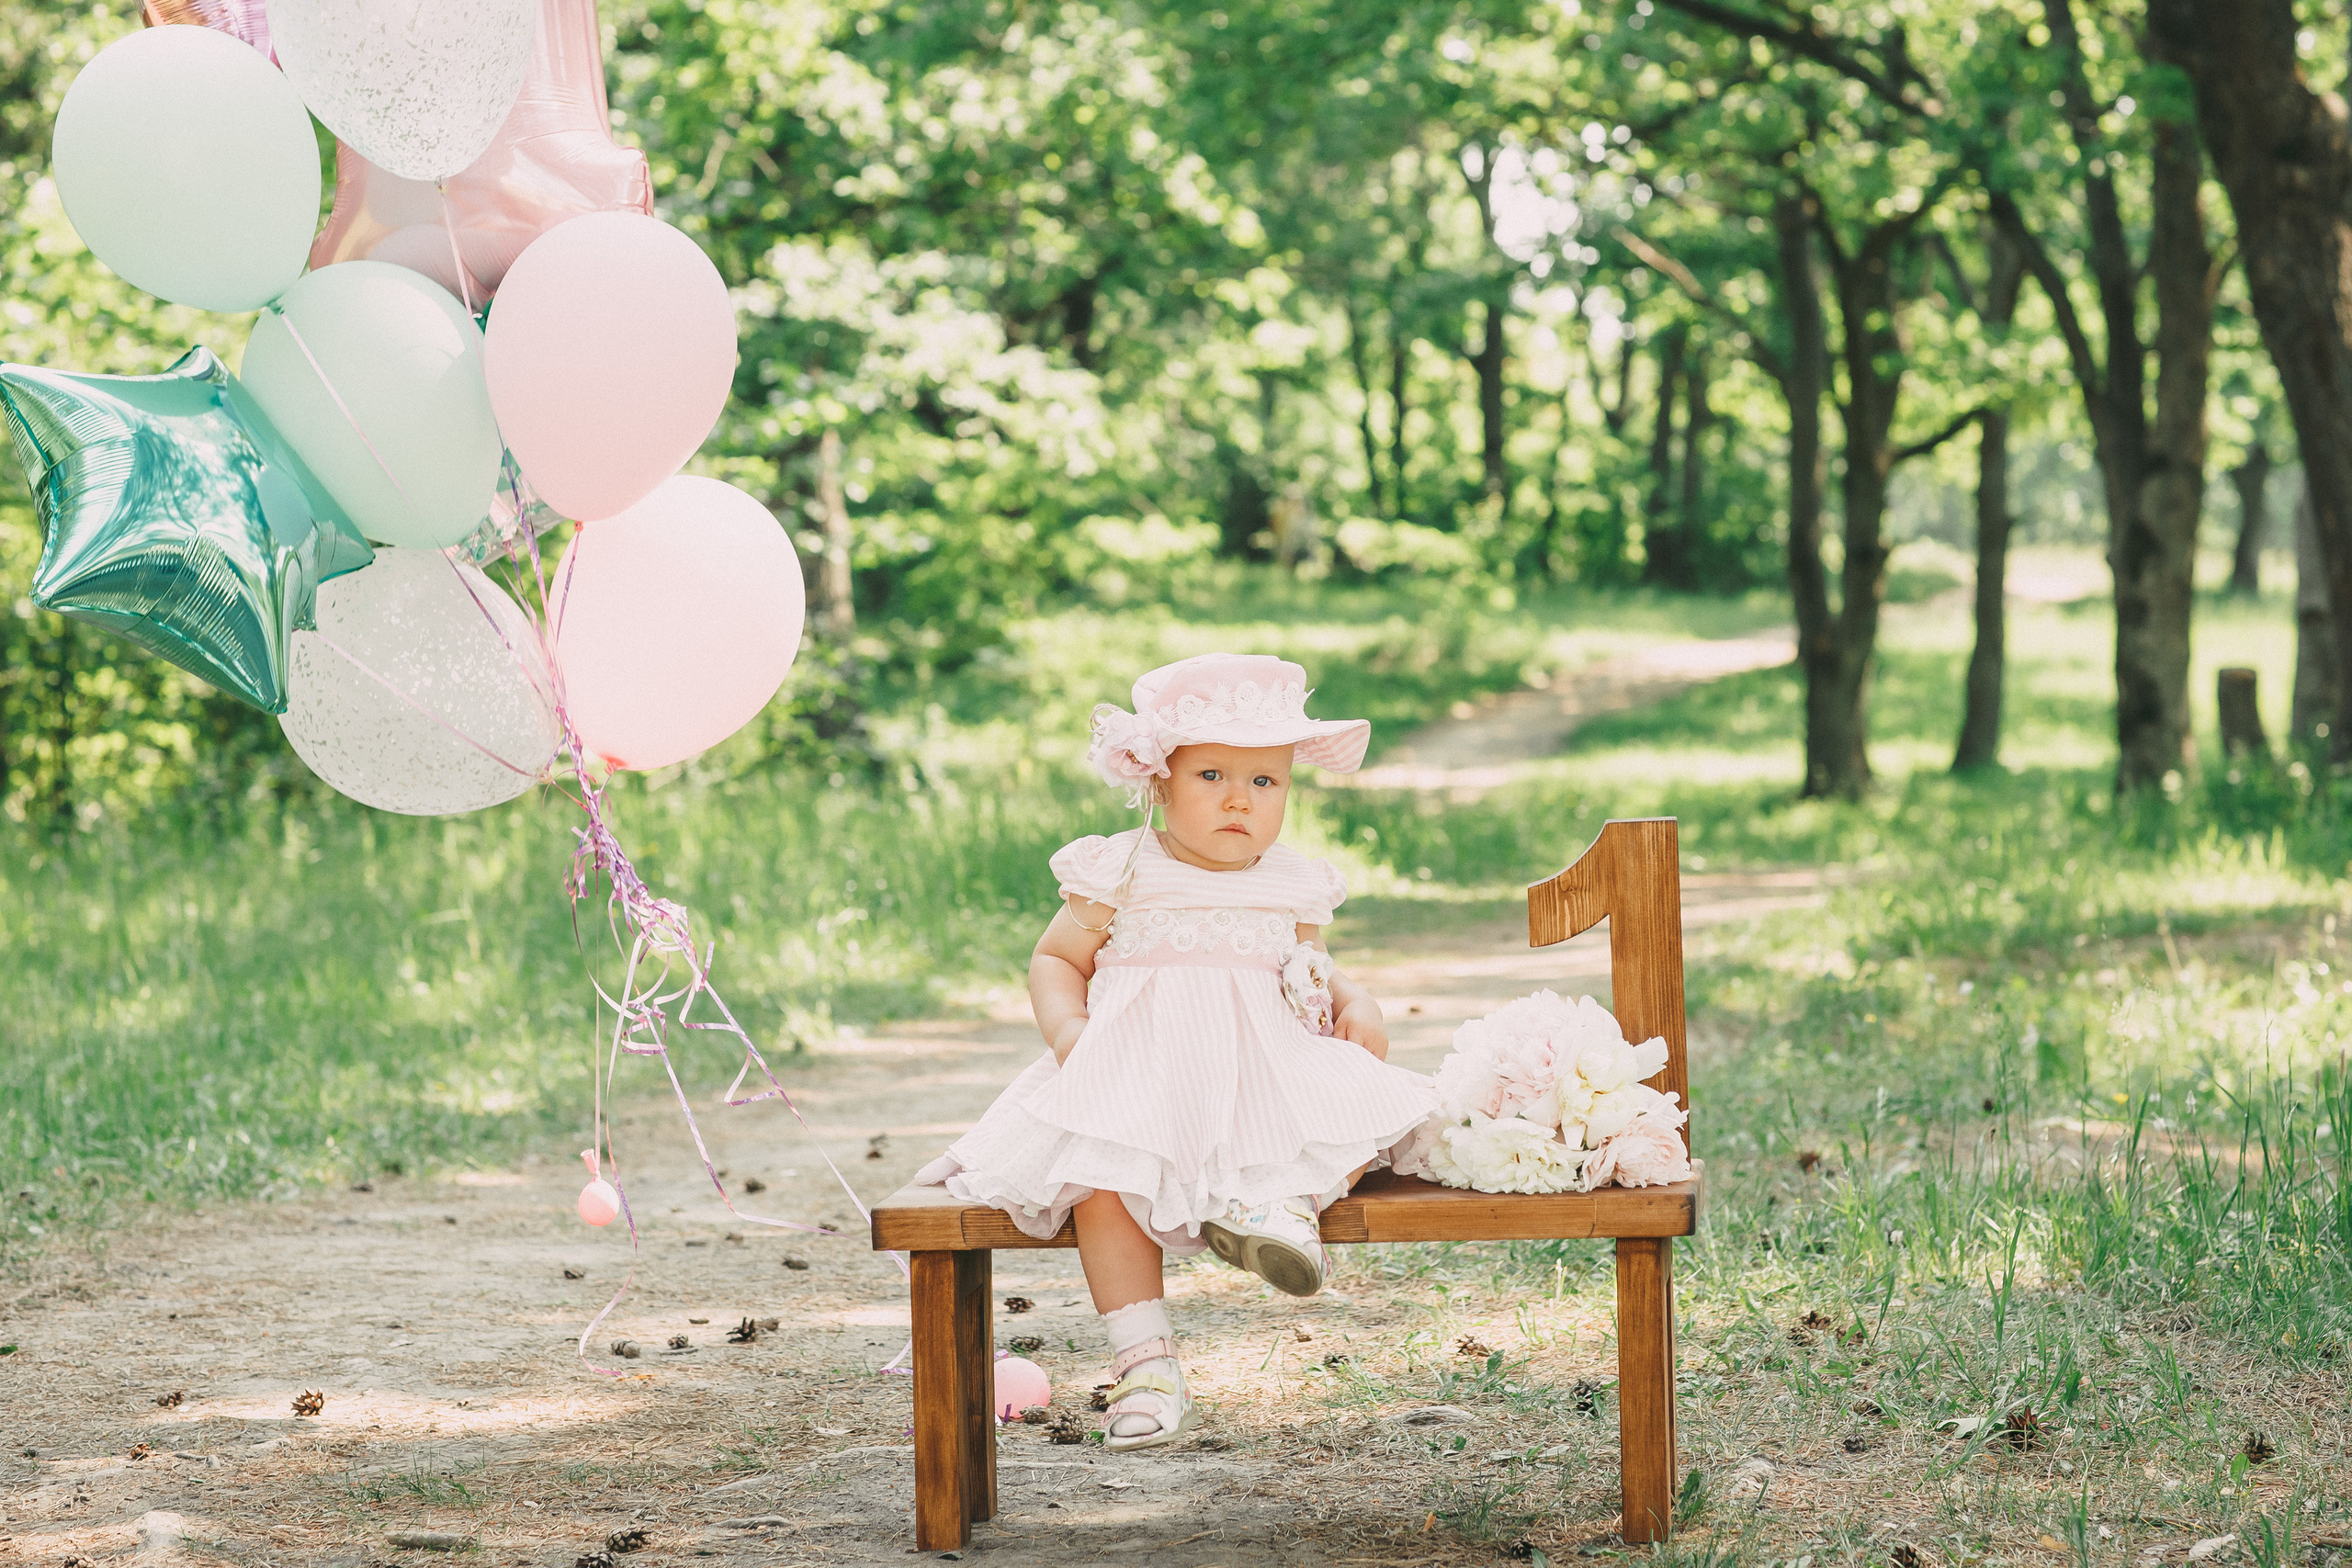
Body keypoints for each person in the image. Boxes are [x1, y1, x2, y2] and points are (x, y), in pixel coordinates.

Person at [912, 653, 1436, 1451]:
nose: (1239, 798)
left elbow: (1315, 966)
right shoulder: (1123, 866)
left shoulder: (1291, 879)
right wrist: (1068, 1035)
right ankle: (1147, 1363)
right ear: (1160, 782)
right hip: (1141, 1079)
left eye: (1265, 782)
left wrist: (1354, 1001)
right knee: (1103, 1177)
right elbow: (1057, 960)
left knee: (1361, 1113)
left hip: (1260, 1078)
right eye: (1213, 775)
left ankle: (1276, 1211)